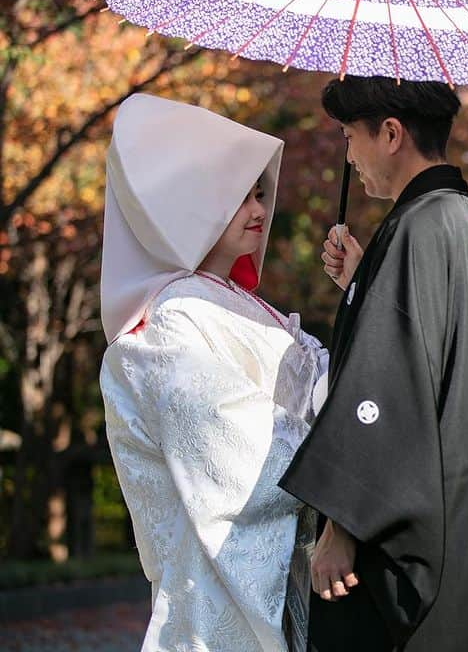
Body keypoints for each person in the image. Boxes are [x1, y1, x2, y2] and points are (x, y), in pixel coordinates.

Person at [278, 76, 468, 651]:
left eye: (350, 136)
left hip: (428, 545)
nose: (349, 154)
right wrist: (364, 281)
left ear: (390, 133)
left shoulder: (415, 229)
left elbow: (386, 391)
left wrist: (341, 526)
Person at [99, 94, 328, 652]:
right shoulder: (173, 316)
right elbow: (233, 448)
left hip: (285, 562)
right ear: (191, 204)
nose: (258, 209)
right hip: (214, 582)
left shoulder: (256, 310)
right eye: (238, 196)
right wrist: (343, 457)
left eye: (259, 194)